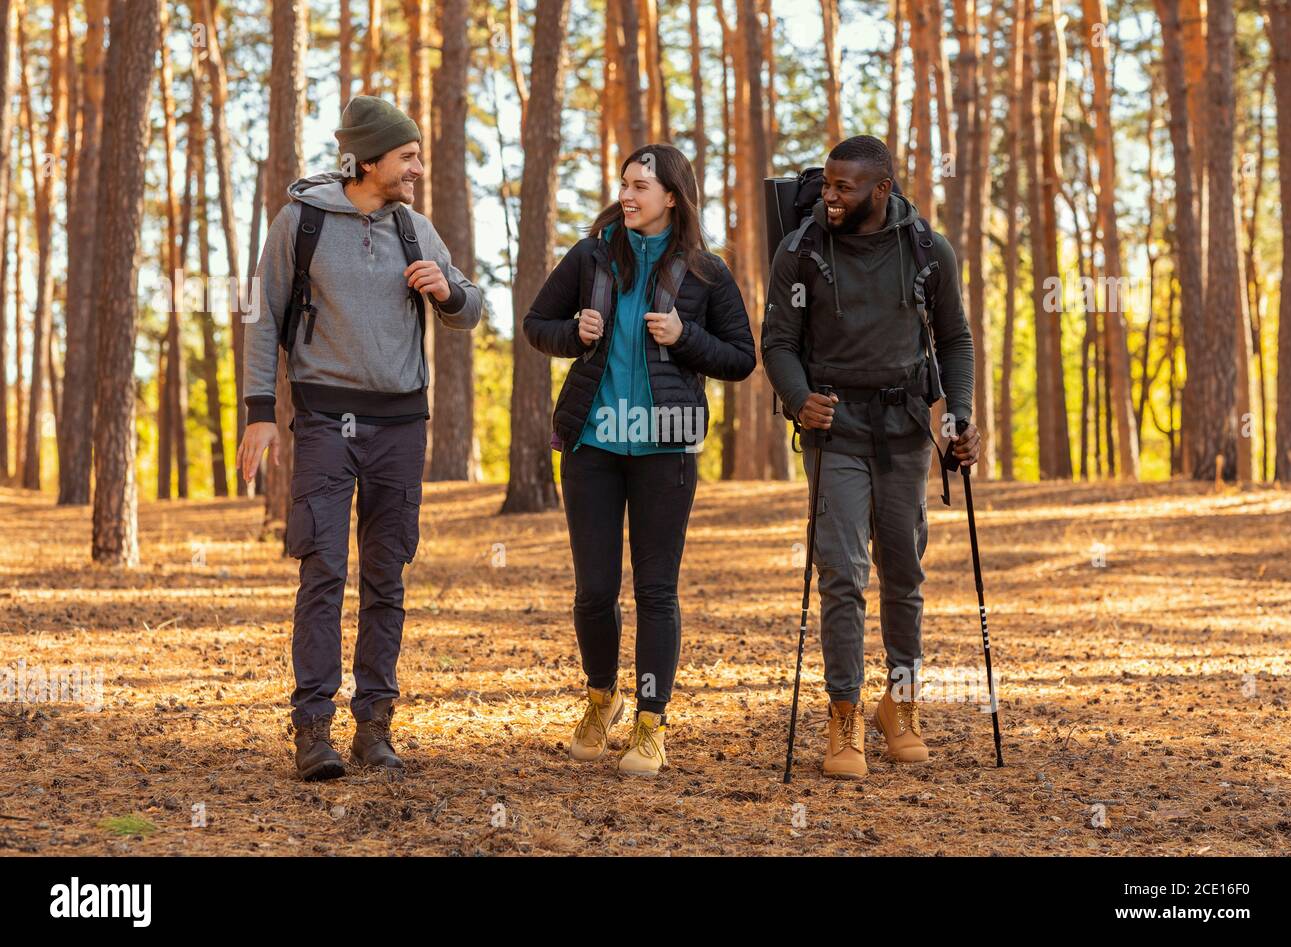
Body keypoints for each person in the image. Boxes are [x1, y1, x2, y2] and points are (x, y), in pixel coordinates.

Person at [237, 95, 483, 781]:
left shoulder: (415, 229)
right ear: (369, 159)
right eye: (407, 156)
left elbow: (473, 306)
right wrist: (261, 410)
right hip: (323, 422)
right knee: (323, 568)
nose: (417, 167)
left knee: (386, 573)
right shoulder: (301, 222)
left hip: (401, 426)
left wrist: (449, 292)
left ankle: (374, 725)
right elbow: (263, 318)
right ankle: (312, 728)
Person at [523, 144, 755, 776]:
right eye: (624, 184)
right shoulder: (592, 256)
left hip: (667, 447)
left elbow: (741, 358)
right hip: (591, 446)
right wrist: (575, 334)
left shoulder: (707, 271)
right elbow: (535, 324)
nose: (627, 195)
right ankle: (602, 698)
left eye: (641, 187)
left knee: (656, 589)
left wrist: (687, 338)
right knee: (595, 590)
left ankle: (651, 723)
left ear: (672, 197)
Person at [761, 135, 981, 778]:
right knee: (842, 572)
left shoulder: (925, 251)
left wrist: (958, 414)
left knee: (905, 573)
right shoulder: (799, 250)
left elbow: (955, 337)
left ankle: (902, 704)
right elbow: (776, 341)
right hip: (836, 433)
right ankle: (845, 715)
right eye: (825, 185)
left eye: (843, 187)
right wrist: (800, 398)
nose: (829, 196)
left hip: (906, 428)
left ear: (881, 189)